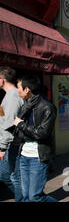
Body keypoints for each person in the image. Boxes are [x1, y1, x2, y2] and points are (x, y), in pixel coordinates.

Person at [13, 75, 57, 202]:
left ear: (27, 89)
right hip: (23, 156)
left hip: (38, 157)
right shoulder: (26, 106)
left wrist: (22, 125)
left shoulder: (47, 107)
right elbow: (16, 129)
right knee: (26, 196)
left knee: (35, 196)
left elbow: (42, 133)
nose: (17, 91)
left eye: (19, 88)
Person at [0, 67, 24, 202]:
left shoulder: (13, 96)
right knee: (8, 177)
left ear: (2, 80)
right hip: (8, 144)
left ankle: (26, 198)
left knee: (11, 177)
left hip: (10, 145)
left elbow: (9, 124)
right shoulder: (9, 96)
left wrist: (3, 148)